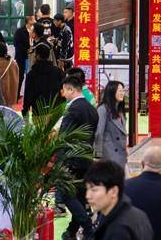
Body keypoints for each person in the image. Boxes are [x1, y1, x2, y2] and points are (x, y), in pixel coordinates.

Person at [59, 75, 99, 240]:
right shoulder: (92, 109)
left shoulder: (72, 110)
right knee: (80, 197)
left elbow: (63, 137)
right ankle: (71, 231)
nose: (63, 94)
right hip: (87, 158)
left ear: (70, 89)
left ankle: (88, 228)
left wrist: (60, 161)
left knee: (66, 195)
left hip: (71, 159)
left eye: (64, 90)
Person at [85, 159, 154, 240]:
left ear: (114, 191)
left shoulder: (119, 230)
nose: (88, 196)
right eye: (87, 189)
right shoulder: (138, 215)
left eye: (94, 190)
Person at [22, 43, 64, 116]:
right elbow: (64, 90)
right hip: (56, 110)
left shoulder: (31, 74)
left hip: (38, 112)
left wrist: (25, 110)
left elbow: (28, 95)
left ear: (37, 56)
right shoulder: (58, 72)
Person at [94, 80, 128, 170]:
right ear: (112, 92)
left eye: (123, 90)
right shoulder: (103, 109)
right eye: (119, 91)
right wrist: (98, 154)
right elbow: (99, 133)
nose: (122, 93)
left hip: (120, 154)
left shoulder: (120, 110)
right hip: (109, 154)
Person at [13, 14, 34, 99]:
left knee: (31, 77)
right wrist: (26, 50)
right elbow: (16, 44)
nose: (35, 21)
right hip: (21, 57)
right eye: (33, 19)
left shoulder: (35, 31)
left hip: (32, 57)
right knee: (20, 76)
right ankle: (16, 95)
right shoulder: (20, 31)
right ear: (29, 21)